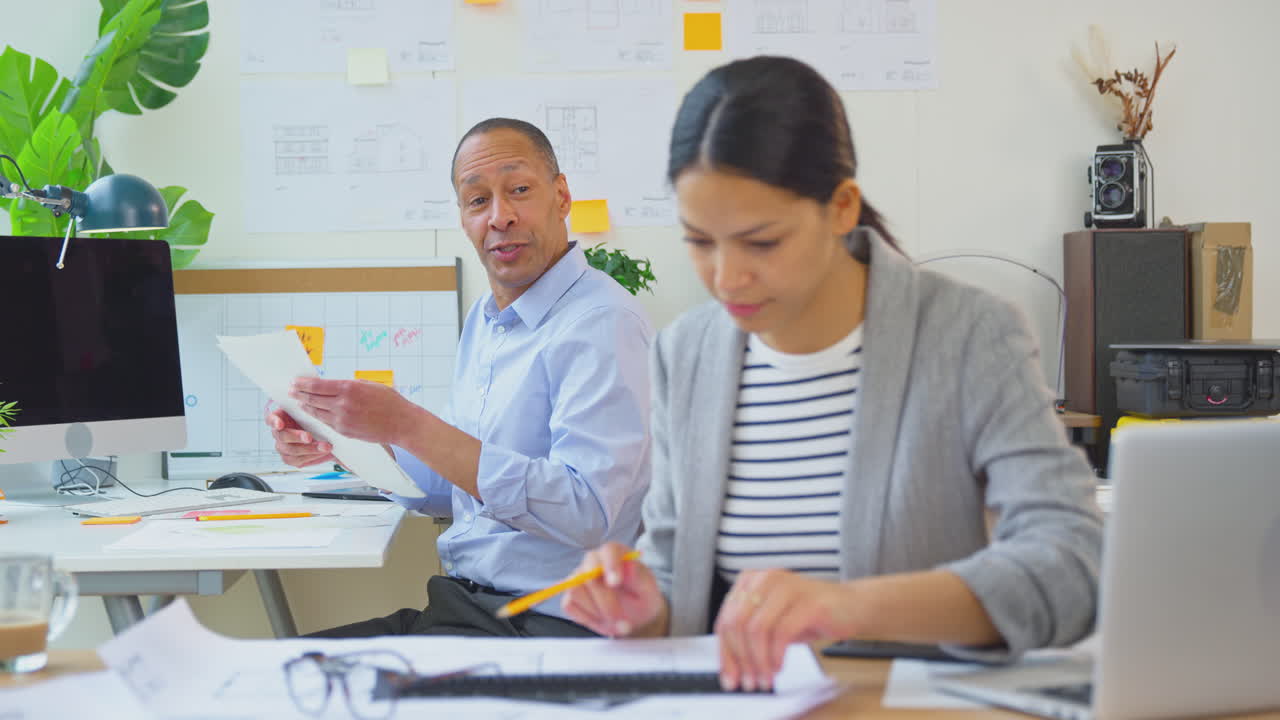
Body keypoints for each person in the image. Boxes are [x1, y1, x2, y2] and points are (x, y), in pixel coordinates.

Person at [562, 56, 1104, 690]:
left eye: (761, 242)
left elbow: (1071, 561)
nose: (727, 278)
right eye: (700, 242)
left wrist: (846, 607)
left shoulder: (969, 334)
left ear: (842, 207)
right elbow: (677, 564)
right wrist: (646, 608)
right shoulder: (687, 352)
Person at [269, 118, 654, 638]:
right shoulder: (486, 320)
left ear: (561, 197)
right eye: (478, 201)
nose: (500, 217)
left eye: (519, 191)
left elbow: (585, 511)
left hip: (547, 626)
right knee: (265, 676)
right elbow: (453, 485)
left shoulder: (602, 323)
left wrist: (408, 424)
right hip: (467, 609)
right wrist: (344, 437)